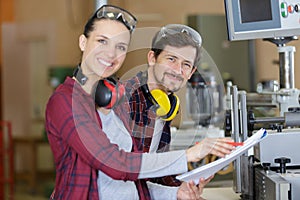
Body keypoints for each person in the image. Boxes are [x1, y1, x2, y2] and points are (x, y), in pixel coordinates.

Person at [45, 5, 235, 200]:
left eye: (120, 47)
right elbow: (116, 164)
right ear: (83, 42)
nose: (111, 54)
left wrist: (176, 193)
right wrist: (188, 155)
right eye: (102, 41)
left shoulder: (117, 102)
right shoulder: (65, 101)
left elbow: (133, 184)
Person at [115, 24, 229, 188]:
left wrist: (182, 190)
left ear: (191, 73)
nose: (177, 70)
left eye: (186, 64)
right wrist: (187, 155)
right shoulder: (124, 97)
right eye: (171, 59)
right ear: (152, 58)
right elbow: (123, 167)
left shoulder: (165, 106)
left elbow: (155, 174)